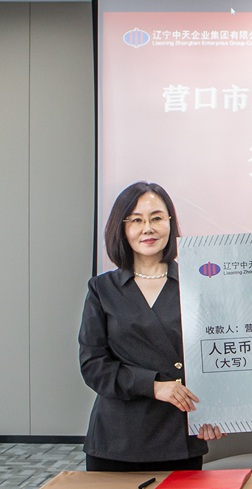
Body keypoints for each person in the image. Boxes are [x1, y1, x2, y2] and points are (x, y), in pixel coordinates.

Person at [79, 181, 223, 471]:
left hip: (179, 432)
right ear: (121, 228)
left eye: (157, 218)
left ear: (170, 223)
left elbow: (217, 357)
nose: (148, 228)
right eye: (136, 220)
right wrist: (154, 386)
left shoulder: (197, 286)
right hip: (117, 437)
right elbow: (93, 366)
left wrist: (216, 411)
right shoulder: (102, 289)